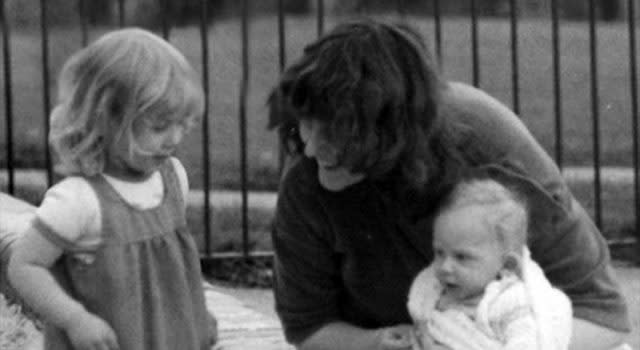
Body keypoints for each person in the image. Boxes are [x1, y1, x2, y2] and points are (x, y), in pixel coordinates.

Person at [267, 19, 631, 350]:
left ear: (392, 129)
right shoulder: (306, 176)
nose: (311, 148)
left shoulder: (486, 144)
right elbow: (309, 328)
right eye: (306, 124)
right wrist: (376, 342)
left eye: (332, 132)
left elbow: (603, 317)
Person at [7, 28, 216, 350]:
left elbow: (171, 266)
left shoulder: (173, 178)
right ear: (105, 118)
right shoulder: (78, 201)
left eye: (182, 124)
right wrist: (75, 319)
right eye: (159, 126)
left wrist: (196, 314)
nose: (175, 138)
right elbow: (25, 266)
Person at [407, 177, 572, 350]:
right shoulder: (433, 293)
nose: (444, 267)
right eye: (439, 253)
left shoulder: (512, 304)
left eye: (461, 257)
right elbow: (422, 325)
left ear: (507, 265)